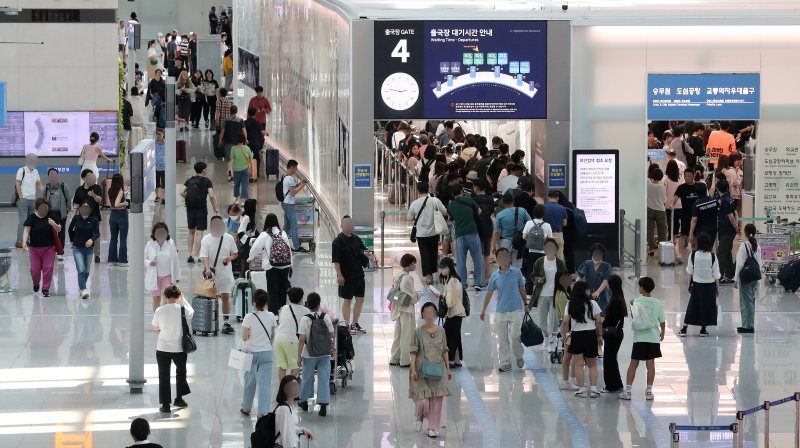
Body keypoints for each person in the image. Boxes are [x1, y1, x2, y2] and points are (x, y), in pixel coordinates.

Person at [479, 247, 529, 372]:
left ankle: (519, 355)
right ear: (497, 259)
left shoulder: (516, 272)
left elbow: (522, 289)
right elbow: (489, 293)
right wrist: (483, 310)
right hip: (501, 311)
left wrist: (526, 304)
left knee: (515, 335)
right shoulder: (495, 276)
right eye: (500, 256)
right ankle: (505, 362)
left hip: (516, 310)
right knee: (502, 338)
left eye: (505, 256)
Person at [410, 302, 452, 438]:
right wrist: (413, 369)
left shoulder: (442, 331)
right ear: (422, 315)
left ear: (435, 314)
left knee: (437, 400)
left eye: (431, 312)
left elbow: (445, 350)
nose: (429, 315)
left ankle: (432, 427)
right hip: (422, 370)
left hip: (439, 370)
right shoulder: (418, 332)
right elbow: (413, 352)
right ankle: (420, 416)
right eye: (426, 313)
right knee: (422, 400)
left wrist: (448, 369)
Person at [619, 277, 665, 401]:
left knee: (634, 363)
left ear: (642, 288)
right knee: (650, 364)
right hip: (653, 338)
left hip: (640, 338)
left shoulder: (636, 302)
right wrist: (663, 333)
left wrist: (632, 306)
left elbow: (635, 319)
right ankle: (649, 391)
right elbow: (662, 321)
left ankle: (628, 391)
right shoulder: (658, 303)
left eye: (639, 286)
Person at [152, 284, 193, 413]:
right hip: (179, 349)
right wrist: (183, 299)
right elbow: (192, 311)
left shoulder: (159, 310)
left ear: (165, 296)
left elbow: (155, 327)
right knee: (181, 373)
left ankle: (165, 404)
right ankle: (179, 398)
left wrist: (160, 329)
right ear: (177, 296)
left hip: (162, 348)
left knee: (163, 376)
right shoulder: (182, 310)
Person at [561, 280, 603, 398]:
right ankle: (594, 389)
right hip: (590, 335)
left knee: (578, 364)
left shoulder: (570, 304)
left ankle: (581, 389)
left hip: (577, 336)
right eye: (588, 289)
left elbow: (565, 322)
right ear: (585, 291)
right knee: (592, 364)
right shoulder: (593, 304)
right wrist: (600, 335)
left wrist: (564, 336)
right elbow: (599, 321)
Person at [240, 289, 277, 418]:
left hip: (251, 353)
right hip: (266, 352)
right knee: (265, 384)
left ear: (254, 302)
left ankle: (246, 407)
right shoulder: (271, 316)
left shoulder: (249, 317)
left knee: (249, 381)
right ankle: (263, 411)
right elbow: (273, 335)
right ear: (266, 302)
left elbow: (244, 337)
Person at [297, 292, 334, 417]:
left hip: (309, 354)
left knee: (307, 378)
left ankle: (304, 401)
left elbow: (301, 339)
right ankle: (323, 404)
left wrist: (298, 356)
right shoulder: (326, 317)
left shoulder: (305, 318)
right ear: (319, 304)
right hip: (325, 353)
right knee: (324, 378)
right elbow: (332, 334)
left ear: (308, 304)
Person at [200, 216, 239, 335]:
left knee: (226, 296)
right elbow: (203, 256)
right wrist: (207, 268)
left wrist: (229, 258)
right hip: (212, 273)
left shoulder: (228, 238)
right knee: (212, 298)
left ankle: (226, 322)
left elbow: (235, 253)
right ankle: (212, 321)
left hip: (226, 272)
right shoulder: (206, 239)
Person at [248, 213, 293, 314]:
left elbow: (255, 248)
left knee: (272, 290)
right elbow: (288, 249)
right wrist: (291, 265)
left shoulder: (264, 235)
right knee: (282, 289)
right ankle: (283, 311)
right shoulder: (283, 233)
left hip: (271, 266)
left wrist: (250, 258)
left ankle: (274, 313)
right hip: (285, 265)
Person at [333, 215, 370, 334]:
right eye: (346, 224)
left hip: (358, 275)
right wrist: (339, 275)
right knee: (347, 300)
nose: (349, 226)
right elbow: (336, 260)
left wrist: (367, 254)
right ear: (342, 225)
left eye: (350, 224)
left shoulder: (356, 239)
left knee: (360, 299)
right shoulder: (337, 242)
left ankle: (355, 323)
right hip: (346, 276)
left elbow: (364, 251)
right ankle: (347, 324)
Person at [679, 232, 721, 337]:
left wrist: (689, 285)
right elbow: (716, 275)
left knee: (692, 307)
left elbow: (690, 272)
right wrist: (717, 289)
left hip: (697, 285)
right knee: (706, 307)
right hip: (710, 286)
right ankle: (703, 329)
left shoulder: (693, 255)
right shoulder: (712, 256)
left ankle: (684, 329)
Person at [406, 182, 447, 285]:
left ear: (418, 191)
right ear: (428, 189)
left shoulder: (415, 203)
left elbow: (409, 217)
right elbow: (445, 211)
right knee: (434, 253)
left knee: (425, 255)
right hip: (434, 233)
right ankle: (434, 273)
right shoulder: (434, 200)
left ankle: (429, 277)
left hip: (421, 234)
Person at [530, 238, 568, 349]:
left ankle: (552, 338)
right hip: (542, 294)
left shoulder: (560, 263)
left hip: (556, 295)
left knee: (554, 319)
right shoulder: (540, 261)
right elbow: (533, 276)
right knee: (542, 319)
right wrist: (538, 279)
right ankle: (546, 336)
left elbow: (565, 277)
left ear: (556, 249)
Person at [447, 184, 485, 290]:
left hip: (460, 235)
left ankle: (462, 284)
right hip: (473, 232)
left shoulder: (451, 205)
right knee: (477, 259)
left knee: (461, 261)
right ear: (462, 191)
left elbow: (451, 217)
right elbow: (479, 212)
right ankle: (478, 283)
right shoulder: (469, 200)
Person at [430, 257, 465, 368]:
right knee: (455, 336)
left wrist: (440, 296)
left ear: (449, 267)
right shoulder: (453, 279)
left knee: (448, 336)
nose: (441, 270)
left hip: (454, 312)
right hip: (457, 313)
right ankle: (457, 360)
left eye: (443, 268)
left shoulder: (452, 281)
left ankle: (450, 361)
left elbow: (451, 301)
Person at [22, 198, 61, 297]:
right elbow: (26, 230)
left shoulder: (51, 216)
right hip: (35, 249)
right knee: (35, 269)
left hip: (49, 248)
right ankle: (36, 282)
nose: (44, 209)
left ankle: (45, 288)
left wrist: (53, 224)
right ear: (37, 207)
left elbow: (59, 229)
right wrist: (24, 242)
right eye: (42, 207)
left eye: (46, 207)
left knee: (48, 268)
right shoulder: (31, 217)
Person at [181, 162, 219, 263]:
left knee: (191, 231)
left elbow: (181, 192)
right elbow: (211, 196)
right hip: (201, 209)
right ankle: (197, 255)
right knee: (199, 233)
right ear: (204, 170)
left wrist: (187, 197)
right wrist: (215, 208)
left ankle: (189, 254)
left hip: (190, 208)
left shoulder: (190, 180)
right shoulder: (207, 181)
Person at [390, 253, 421, 368]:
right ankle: (404, 360)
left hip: (397, 307)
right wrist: (418, 295)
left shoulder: (398, 275)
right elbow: (409, 295)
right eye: (413, 263)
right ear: (409, 264)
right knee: (407, 334)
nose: (414, 265)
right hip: (406, 309)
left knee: (398, 334)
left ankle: (394, 357)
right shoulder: (408, 277)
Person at [145, 223, 181, 312]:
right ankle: (157, 319)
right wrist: (149, 263)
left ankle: (165, 318)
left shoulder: (171, 243)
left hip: (167, 276)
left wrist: (177, 276)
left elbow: (176, 260)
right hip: (155, 277)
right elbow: (143, 258)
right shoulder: (150, 244)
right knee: (156, 298)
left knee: (167, 298)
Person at [275, 288, 309, 380]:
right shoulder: (305, 311)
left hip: (278, 340)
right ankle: (289, 387)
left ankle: (282, 390)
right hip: (292, 341)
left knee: (282, 367)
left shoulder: (285, 308)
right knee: (296, 367)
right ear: (302, 298)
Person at [672, 168, 707, 259]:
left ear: (693, 176)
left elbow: (705, 198)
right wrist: (672, 204)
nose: (687, 178)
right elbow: (675, 197)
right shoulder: (681, 187)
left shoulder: (698, 187)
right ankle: (680, 254)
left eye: (689, 176)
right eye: (685, 176)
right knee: (683, 235)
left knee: (696, 235)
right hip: (685, 215)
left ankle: (695, 253)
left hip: (697, 215)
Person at [601, 275, 627, 393]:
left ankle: (611, 386)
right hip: (617, 333)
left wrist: (602, 321)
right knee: (612, 359)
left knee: (608, 360)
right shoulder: (618, 297)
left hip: (613, 333)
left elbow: (612, 319)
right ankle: (617, 383)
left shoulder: (615, 299)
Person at [491, 192, 531, 268]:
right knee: (517, 265)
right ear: (513, 201)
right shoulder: (522, 210)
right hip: (519, 241)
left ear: (503, 202)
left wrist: (493, 245)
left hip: (504, 242)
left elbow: (496, 231)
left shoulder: (500, 215)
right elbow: (530, 223)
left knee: (504, 265)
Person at [734, 224, 761, 334]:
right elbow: (759, 263)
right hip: (754, 276)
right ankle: (750, 324)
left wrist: (735, 279)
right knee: (751, 301)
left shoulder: (744, 246)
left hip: (746, 278)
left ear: (745, 233)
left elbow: (740, 264)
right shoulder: (757, 246)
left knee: (745, 301)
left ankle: (747, 326)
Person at [68, 202, 99, 299]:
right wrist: (73, 240)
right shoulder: (76, 218)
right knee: (81, 269)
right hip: (77, 248)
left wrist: (91, 239)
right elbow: (70, 230)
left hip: (89, 249)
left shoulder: (94, 220)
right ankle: (84, 289)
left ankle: (82, 288)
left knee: (86, 271)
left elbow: (97, 233)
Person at [273, 375, 315, 447]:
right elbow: (286, 438)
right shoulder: (284, 409)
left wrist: (302, 430)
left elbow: (289, 428)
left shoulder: (290, 406)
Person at [72, 169, 103, 262]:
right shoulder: (79, 190)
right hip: (82, 218)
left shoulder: (96, 188)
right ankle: (83, 253)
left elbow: (100, 200)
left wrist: (94, 196)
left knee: (96, 236)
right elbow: (76, 204)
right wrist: (74, 216)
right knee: (82, 235)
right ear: (84, 178)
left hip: (95, 217)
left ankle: (97, 255)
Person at [522, 204, 553, 295]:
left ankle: (528, 293)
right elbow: (550, 240)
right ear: (544, 214)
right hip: (543, 253)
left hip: (531, 252)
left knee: (530, 272)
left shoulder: (529, 223)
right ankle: (542, 292)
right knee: (543, 272)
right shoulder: (547, 225)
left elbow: (524, 236)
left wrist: (531, 241)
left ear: (533, 213)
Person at [15, 154, 44, 248]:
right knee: (23, 221)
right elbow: (17, 183)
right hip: (23, 200)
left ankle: (27, 240)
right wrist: (21, 197)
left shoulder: (36, 171)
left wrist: (46, 192)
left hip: (32, 200)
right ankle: (19, 242)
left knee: (31, 222)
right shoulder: (21, 170)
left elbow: (39, 184)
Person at [281, 159, 309, 252]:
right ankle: (297, 246)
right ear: (292, 167)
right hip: (289, 204)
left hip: (285, 203)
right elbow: (293, 193)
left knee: (287, 226)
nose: (297, 169)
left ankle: (281, 243)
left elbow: (290, 189)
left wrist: (299, 184)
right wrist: (302, 186)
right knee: (294, 226)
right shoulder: (290, 178)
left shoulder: (285, 176)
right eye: (296, 167)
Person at [43, 168, 71, 259]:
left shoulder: (63, 186)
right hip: (50, 213)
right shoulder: (46, 188)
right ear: (49, 177)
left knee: (61, 233)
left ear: (57, 176)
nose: (53, 177)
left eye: (55, 175)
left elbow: (68, 199)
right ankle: (50, 251)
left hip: (61, 213)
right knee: (49, 232)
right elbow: (43, 200)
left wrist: (67, 210)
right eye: (51, 175)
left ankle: (60, 252)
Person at [576, 243, 612, 313]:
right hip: (588, 294)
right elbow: (579, 277)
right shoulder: (586, 264)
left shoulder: (607, 266)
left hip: (602, 296)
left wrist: (597, 292)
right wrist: (577, 289)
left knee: (601, 315)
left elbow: (606, 281)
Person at [473, 179, 495, 286]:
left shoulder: (474, 200)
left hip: (478, 229)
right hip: (489, 228)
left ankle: (480, 279)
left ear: (476, 187)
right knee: (486, 256)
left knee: (478, 256)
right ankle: (486, 279)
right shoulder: (491, 199)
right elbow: (491, 212)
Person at [716, 180, 738, 284]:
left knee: (720, 252)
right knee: (727, 252)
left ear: (718, 188)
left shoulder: (725, 200)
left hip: (728, 231)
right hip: (725, 230)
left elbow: (731, 217)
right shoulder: (727, 199)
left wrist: (736, 227)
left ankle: (720, 276)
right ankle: (730, 275)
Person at [107, 174, 129, 266]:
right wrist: (125, 203)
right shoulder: (120, 190)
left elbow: (112, 204)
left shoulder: (110, 190)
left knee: (113, 238)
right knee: (123, 239)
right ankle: (122, 260)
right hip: (122, 216)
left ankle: (112, 258)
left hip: (113, 216)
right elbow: (116, 204)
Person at [647, 168, 668, 254]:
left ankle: (651, 248)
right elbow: (664, 200)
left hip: (649, 209)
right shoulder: (662, 187)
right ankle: (662, 247)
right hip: (660, 210)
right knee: (662, 230)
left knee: (650, 230)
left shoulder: (647, 185)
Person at [543, 191, 568, 260]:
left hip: (546, 235)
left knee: (547, 256)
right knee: (560, 256)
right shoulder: (562, 208)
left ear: (548, 197)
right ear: (558, 198)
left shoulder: (543, 207)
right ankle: (560, 270)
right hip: (558, 234)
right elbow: (565, 224)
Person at [664, 160, 684, 242]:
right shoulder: (680, 177)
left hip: (668, 203)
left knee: (669, 220)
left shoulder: (666, 178)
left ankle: (670, 237)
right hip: (679, 203)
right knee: (676, 220)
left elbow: (664, 190)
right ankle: (675, 237)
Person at [245, 107, 267, 178]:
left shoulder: (245, 122)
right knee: (256, 158)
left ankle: (249, 172)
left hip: (248, 144)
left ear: (248, 113)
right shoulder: (257, 123)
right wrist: (267, 133)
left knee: (248, 158)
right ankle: (256, 173)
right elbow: (263, 132)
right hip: (256, 143)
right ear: (255, 114)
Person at [153, 129, 166, 204]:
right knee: (156, 183)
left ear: (163, 134)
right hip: (156, 166)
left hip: (164, 166)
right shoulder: (153, 143)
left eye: (160, 134)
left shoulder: (167, 143)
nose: (158, 135)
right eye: (157, 134)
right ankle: (157, 196)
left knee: (164, 183)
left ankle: (163, 197)